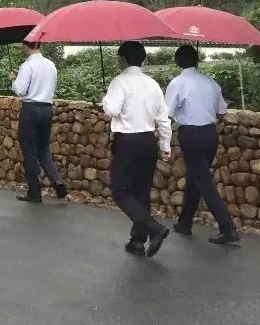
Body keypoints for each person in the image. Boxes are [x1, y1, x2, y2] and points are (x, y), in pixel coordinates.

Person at [101, 41, 172, 258]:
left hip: (127, 142)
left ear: (123, 58)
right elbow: (163, 118)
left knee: (120, 191)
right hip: (148, 141)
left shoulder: (119, 82)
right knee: (141, 191)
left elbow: (111, 110)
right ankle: (138, 241)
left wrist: (104, 98)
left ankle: (154, 229)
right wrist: (165, 145)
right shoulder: (152, 84)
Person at [165, 45, 240, 246]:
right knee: (195, 177)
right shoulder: (211, 82)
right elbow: (222, 112)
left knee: (202, 180)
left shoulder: (178, 83)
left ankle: (228, 228)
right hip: (210, 134)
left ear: (177, 62)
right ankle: (185, 222)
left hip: (191, 135)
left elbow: (167, 114)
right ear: (197, 61)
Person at [11, 40, 67, 203]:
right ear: (39, 45)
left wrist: (13, 79)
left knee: (29, 152)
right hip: (47, 109)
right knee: (43, 150)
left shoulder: (27, 66)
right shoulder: (51, 64)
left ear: (26, 46)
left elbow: (20, 90)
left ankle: (34, 192)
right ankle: (57, 181)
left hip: (30, 110)